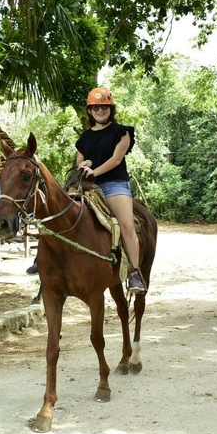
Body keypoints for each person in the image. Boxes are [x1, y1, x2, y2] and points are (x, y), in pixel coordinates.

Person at [75, 87, 146, 294]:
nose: (100, 110)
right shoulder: (85, 137)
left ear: (110, 109)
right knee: (59, 208)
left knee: (126, 225)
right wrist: (83, 166)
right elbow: (79, 159)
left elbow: (116, 160)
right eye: (95, 107)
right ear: (90, 111)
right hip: (87, 185)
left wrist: (93, 171)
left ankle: (134, 273)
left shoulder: (122, 132)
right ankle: (43, 260)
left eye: (104, 106)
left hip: (114, 184)